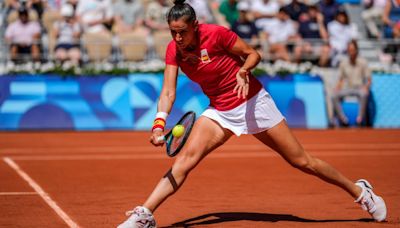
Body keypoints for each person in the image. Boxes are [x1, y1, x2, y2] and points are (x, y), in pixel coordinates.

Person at [117, 1, 387, 227]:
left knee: (302, 161)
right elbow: (167, 92)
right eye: (173, 32)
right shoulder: (173, 50)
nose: (177, 38)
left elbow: (252, 54)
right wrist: (158, 124)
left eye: (182, 32)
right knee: (184, 162)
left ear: (195, 26)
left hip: (254, 103)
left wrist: (243, 70)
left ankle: (360, 191)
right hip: (220, 111)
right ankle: (146, 214)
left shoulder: (217, 34)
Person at [331, 40, 371, 127]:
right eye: (349, 50)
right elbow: (341, 79)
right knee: (334, 95)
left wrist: (366, 87)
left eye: (353, 50)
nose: (351, 52)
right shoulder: (343, 63)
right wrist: (337, 87)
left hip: (359, 88)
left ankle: (360, 119)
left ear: (356, 50)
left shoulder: (363, 62)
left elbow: (369, 79)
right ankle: (343, 119)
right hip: (348, 88)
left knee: (364, 94)